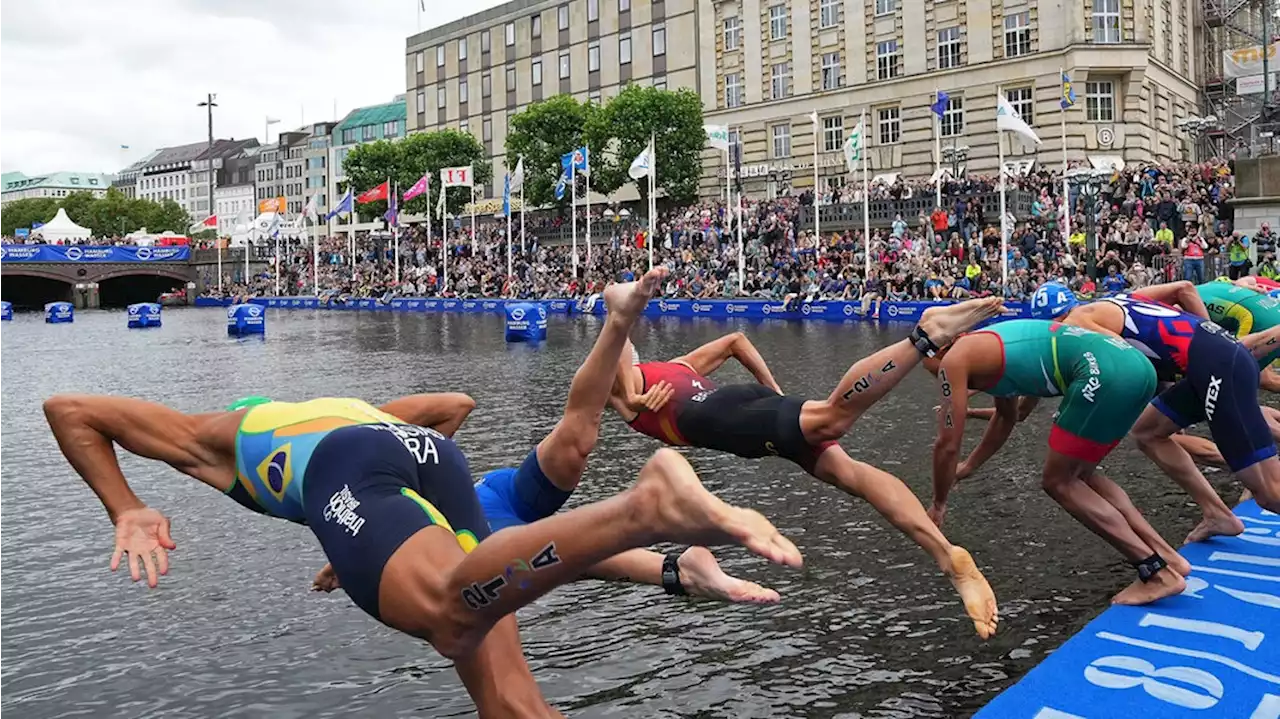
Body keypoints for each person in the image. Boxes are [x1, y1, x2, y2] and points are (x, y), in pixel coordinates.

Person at [45, 277, 803, 717]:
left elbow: (71, 411)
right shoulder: (323, 412)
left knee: (448, 614)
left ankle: (646, 506)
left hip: (352, 469)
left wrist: (127, 507)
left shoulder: (211, 436)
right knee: (506, 690)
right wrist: (386, 526)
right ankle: (670, 559)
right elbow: (451, 407)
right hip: (418, 457)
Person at [313, 268, 779, 604]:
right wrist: (346, 561)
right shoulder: (352, 492)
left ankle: (618, 320)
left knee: (577, 440)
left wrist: (393, 432)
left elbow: (459, 405)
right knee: (571, 545)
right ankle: (679, 571)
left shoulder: (376, 453)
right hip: (488, 529)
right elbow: (369, 534)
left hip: (497, 494)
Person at [612, 298, 1008, 640]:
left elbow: (616, 363)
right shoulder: (673, 368)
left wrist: (630, 388)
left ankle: (923, 337)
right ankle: (946, 555)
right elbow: (736, 341)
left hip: (726, 421)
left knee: (832, 418)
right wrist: (774, 393)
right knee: (851, 474)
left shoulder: (624, 392)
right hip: (747, 407)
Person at [924, 319, 1189, 605]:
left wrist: (939, 502)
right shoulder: (989, 347)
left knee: (1058, 482)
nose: (946, 383)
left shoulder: (953, 359)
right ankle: (1168, 557)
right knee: (1082, 476)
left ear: (939, 353)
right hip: (1136, 368)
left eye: (937, 377)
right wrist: (969, 467)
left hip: (1103, 375)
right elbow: (1008, 416)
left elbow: (947, 444)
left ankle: (1155, 573)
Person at [1029, 280, 1280, 545]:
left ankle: (1225, 507)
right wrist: (1216, 337)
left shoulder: (1073, 326)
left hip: (1216, 368)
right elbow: (1184, 288)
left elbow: (1125, 366)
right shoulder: (1113, 301)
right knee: (1147, 431)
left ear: (1051, 323)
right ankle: (1217, 513)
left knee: (1268, 493)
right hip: (1213, 359)